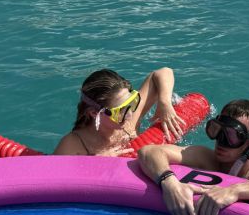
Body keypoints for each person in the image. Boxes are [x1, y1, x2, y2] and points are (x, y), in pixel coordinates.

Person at [54, 67, 183, 157]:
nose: (130, 115)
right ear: (94, 113)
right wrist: (93, 163)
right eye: (120, 111)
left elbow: (163, 72)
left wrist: (164, 103)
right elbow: (53, 178)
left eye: (131, 103)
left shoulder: (129, 121)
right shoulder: (73, 144)